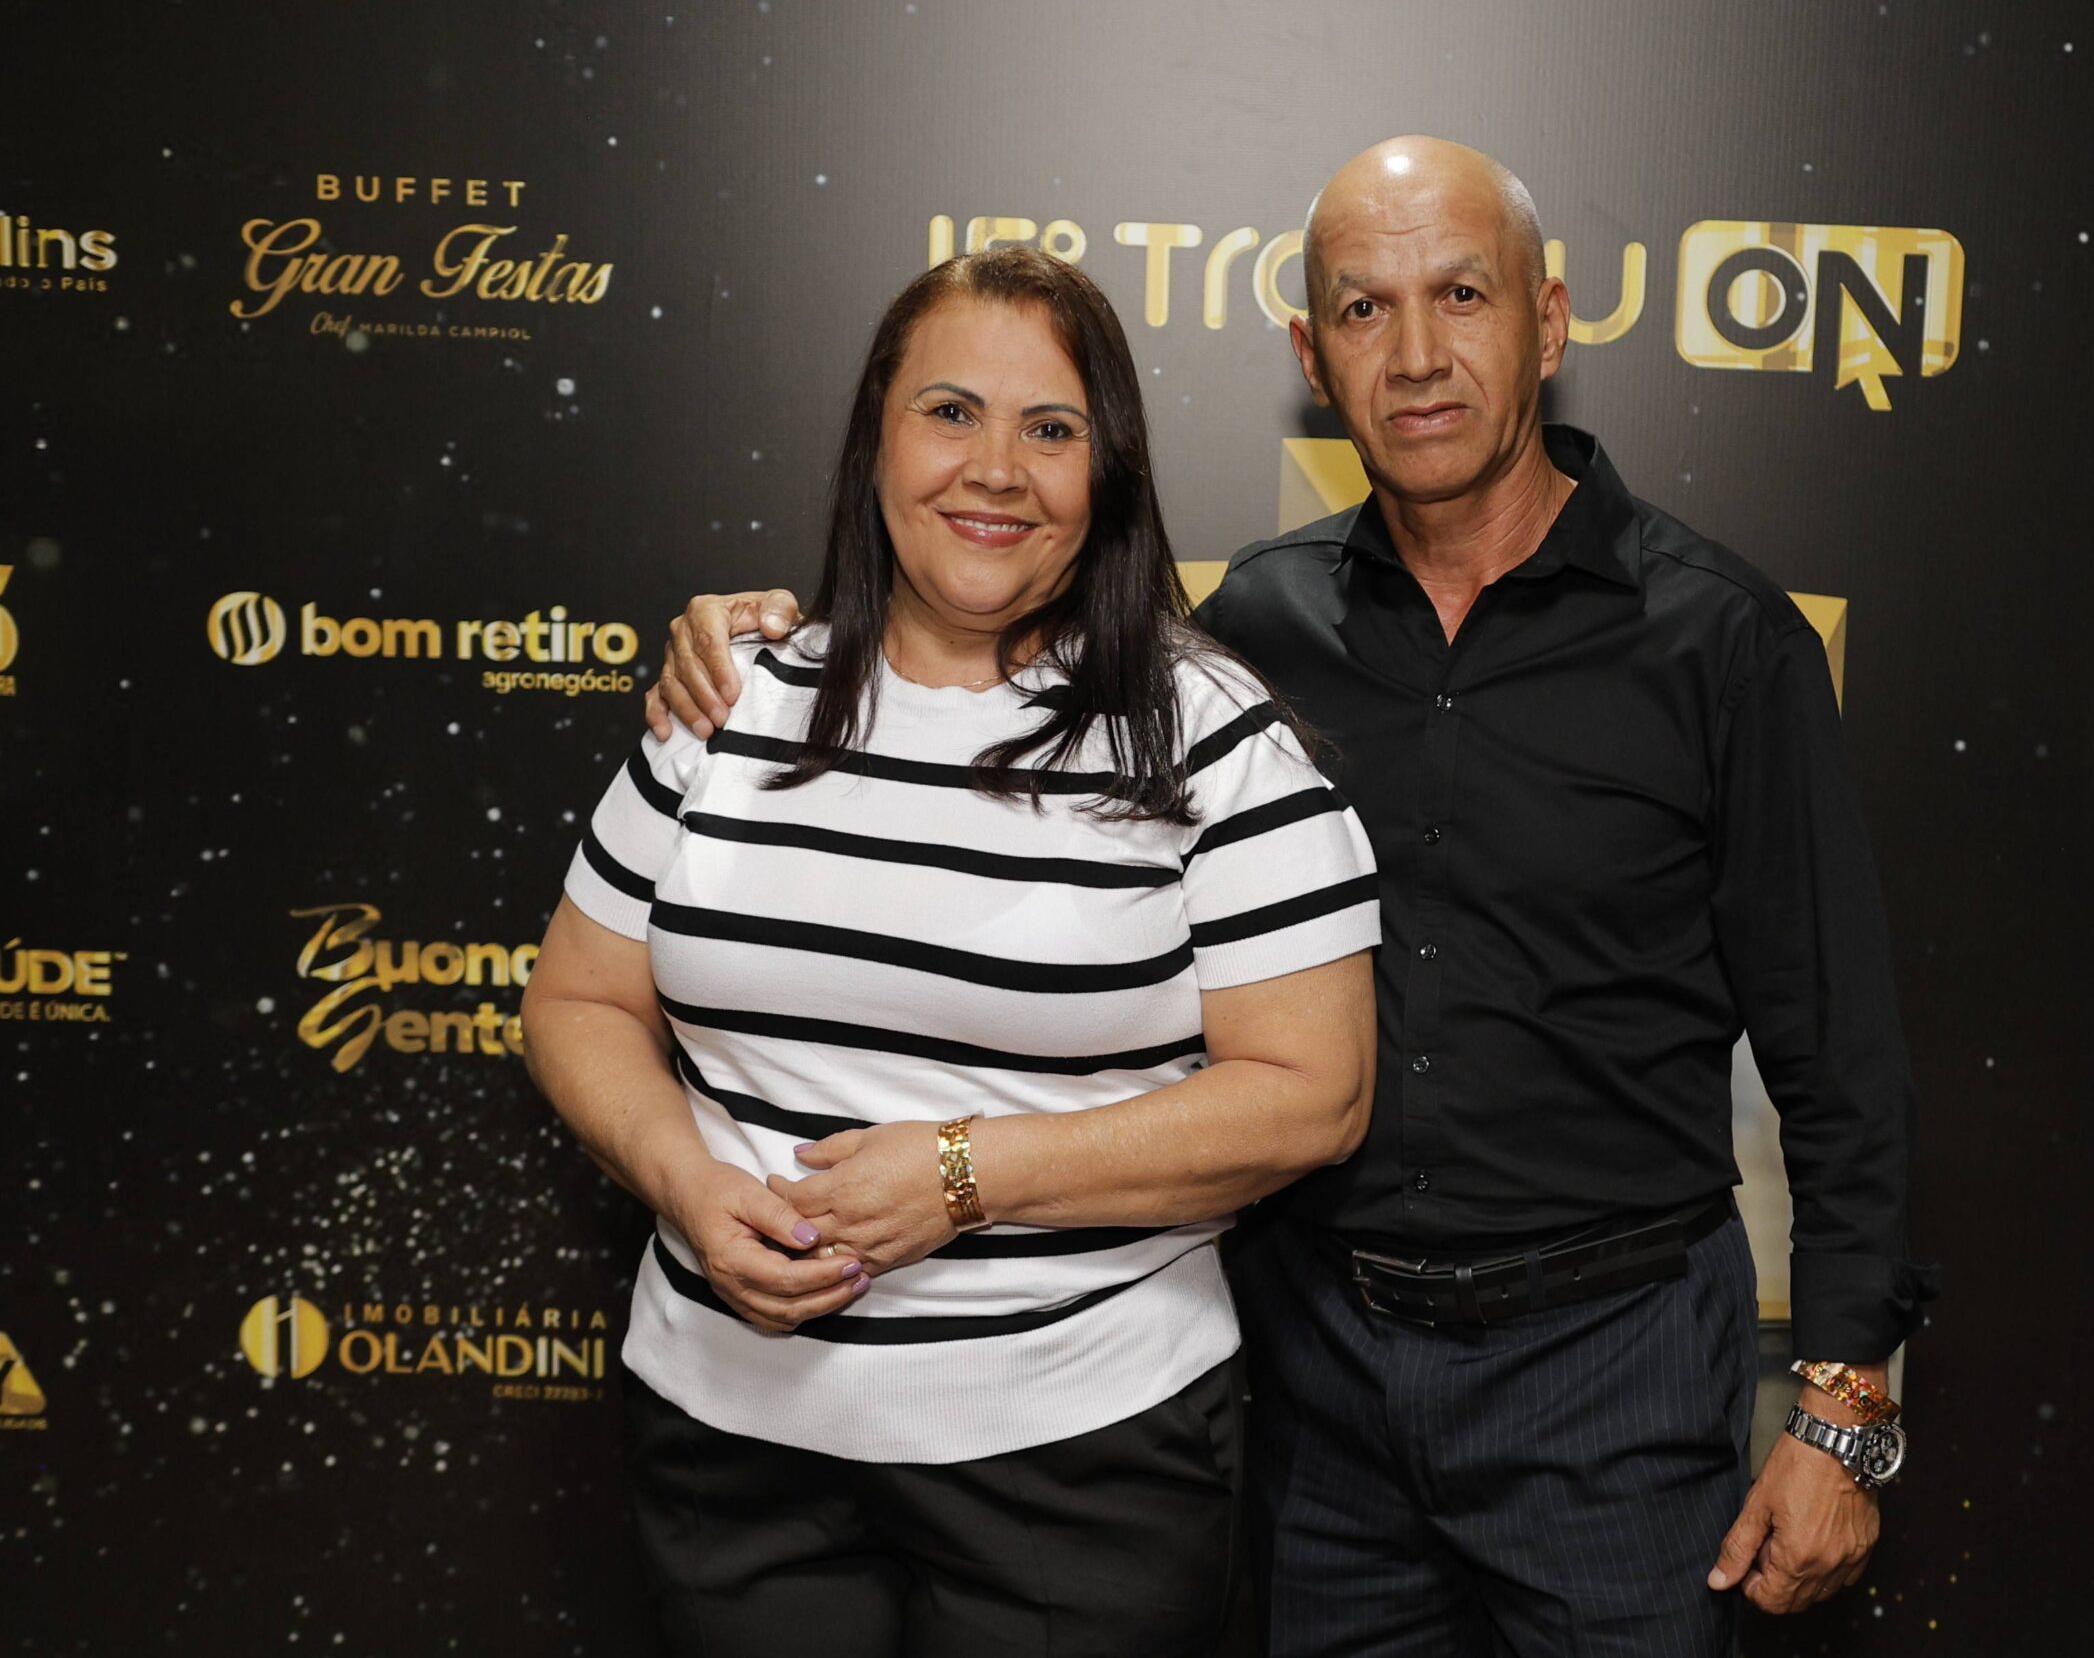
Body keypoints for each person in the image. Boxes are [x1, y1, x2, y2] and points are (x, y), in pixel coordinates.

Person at [650, 137, 1939, 1657]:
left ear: (1550, 321)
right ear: (1311, 355)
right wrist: (765, 637)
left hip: (1615, 1366)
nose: (1417, 354)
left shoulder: (1720, 643)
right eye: (1363, 308)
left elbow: (1838, 1059)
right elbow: (980, 653)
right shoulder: (1248, 630)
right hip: (1316, 1373)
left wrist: (1844, 1411)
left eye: (1462, 295)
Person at [523, 245, 1380, 1658]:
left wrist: (969, 1177)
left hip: (1081, 1462)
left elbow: (1313, 1096)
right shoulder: (732, 699)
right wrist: (685, 1184)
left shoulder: (1209, 736)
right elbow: (576, 999)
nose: (995, 469)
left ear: (1108, 473)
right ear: (876, 440)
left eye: (1050, 429)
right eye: (950, 412)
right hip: (730, 1447)